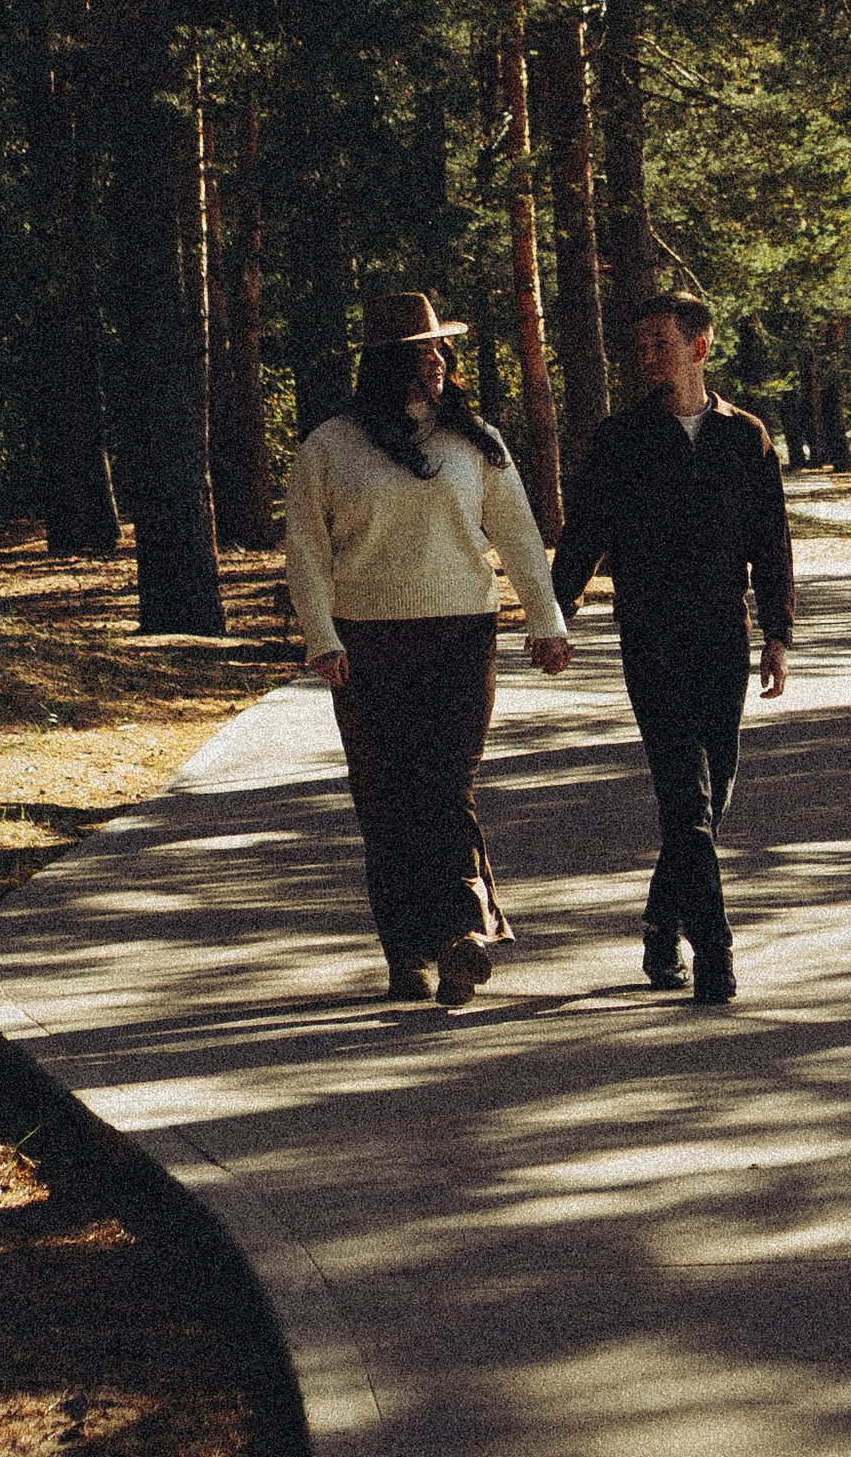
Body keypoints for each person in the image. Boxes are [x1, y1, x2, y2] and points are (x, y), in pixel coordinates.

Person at [284, 286, 571, 1005]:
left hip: (460, 636)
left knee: (448, 790)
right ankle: (406, 951)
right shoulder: (329, 447)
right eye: (425, 349)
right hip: (366, 646)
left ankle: (463, 937)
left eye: (443, 346)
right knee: (384, 802)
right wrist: (321, 636)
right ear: (391, 361)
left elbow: (518, 536)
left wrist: (547, 618)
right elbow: (307, 553)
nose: (441, 358)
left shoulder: (475, 439)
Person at [550, 291, 792, 1006]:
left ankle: (662, 919)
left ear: (699, 346)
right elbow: (586, 533)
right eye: (642, 346)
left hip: (725, 638)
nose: (648, 357)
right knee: (682, 797)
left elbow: (770, 542)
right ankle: (712, 951)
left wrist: (778, 633)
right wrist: (554, 612)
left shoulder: (744, 437)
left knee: (714, 793)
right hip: (651, 639)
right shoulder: (619, 439)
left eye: (661, 343)